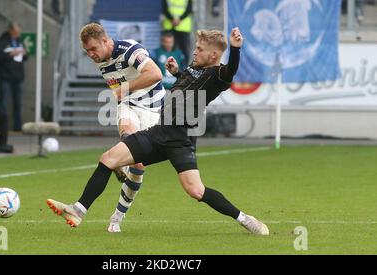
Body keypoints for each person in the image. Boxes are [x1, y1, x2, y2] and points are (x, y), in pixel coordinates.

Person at [46, 28, 270, 236]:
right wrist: (177, 72)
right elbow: (187, 85)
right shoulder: (195, 69)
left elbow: (231, 70)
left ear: (213, 55)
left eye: (200, 49)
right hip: (157, 133)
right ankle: (78, 210)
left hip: (180, 140)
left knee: (196, 191)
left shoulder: (218, 75)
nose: (195, 51)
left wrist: (236, 49)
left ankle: (245, 219)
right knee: (108, 159)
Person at [56, 23, 165, 233]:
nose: (90, 55)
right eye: (87, 51)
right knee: (128, 137)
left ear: (106, 41)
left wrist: (124, 88)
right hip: (128, 106)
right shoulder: (101, 61)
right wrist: (123, 92)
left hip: (153, 110)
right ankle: (81, 208)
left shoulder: (130, 50)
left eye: (93, 49)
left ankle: (117, 216)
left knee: (139, 166)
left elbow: (156, 74)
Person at [0, 22, 28, 132]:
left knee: (18, 103)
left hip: (18, 77)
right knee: (3, 102)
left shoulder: (19, 41)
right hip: (6, 77)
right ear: (11, 30)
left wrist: (25, 53)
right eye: (16, 32)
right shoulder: (2, 41)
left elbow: (25, 57)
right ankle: (1, 125)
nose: (18, 34)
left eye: (19, 32)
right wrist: (10, 54)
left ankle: (17, 126)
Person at [161, 0, 194, 67]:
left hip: (183, 26)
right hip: (170, 25)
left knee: (184, 50)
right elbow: (164, 9)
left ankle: (185, 69)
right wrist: (172, 19)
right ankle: (168, 69)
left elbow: (189, 9)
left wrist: (179, 19)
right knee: (169, 49)